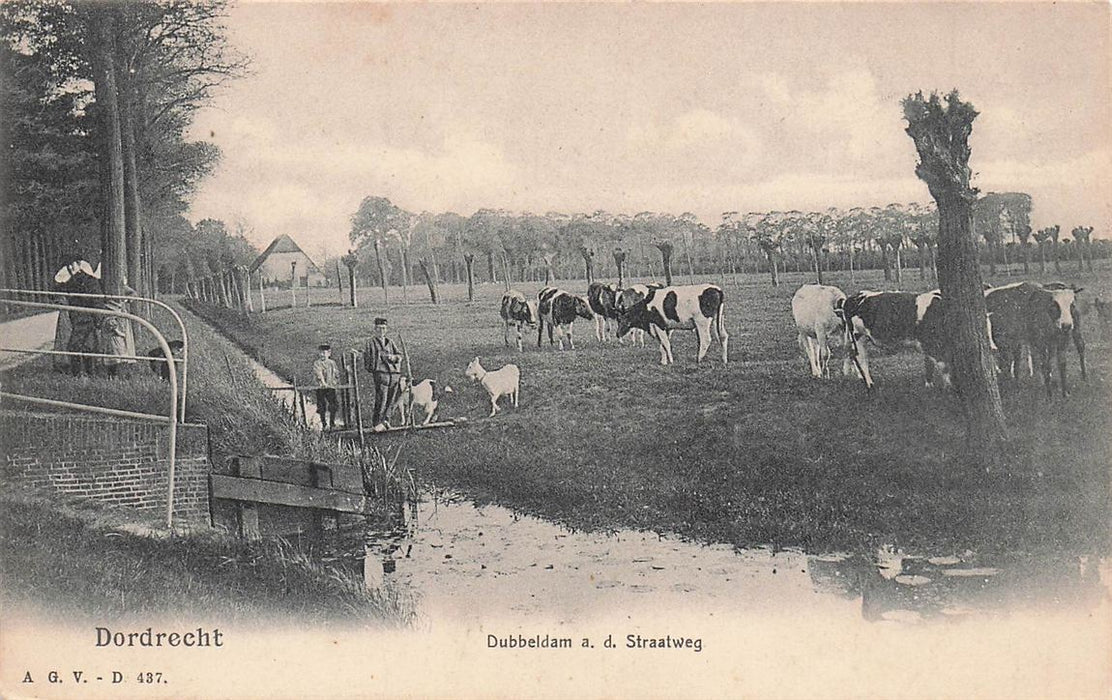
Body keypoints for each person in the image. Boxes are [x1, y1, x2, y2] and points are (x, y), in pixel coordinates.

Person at [364, 317, 403, 432]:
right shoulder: (371, 342)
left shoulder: (390, 342)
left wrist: (394, 357)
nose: (381, 331)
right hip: (381, 374)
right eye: (379, 328)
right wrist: (374, 367)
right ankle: (377, 423)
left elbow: (399, 355)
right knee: (381, 398)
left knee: (391, 399)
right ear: (375, 329)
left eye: (384, 328)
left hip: (394, 374)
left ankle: (386, 421)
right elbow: (367, 359)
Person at [312, 343, 341, 430]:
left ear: (329, 353)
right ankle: (324, 424)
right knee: (321, 405)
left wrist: (335, 382)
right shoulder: (317, 363)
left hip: (330, 387)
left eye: (324, 353)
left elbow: (336, 374)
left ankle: (332, 423)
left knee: (333, 404)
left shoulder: (332, 363)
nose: (322, 355)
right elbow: (319, 374)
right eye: (320, 353)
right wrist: (323, 383)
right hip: (321, 387)